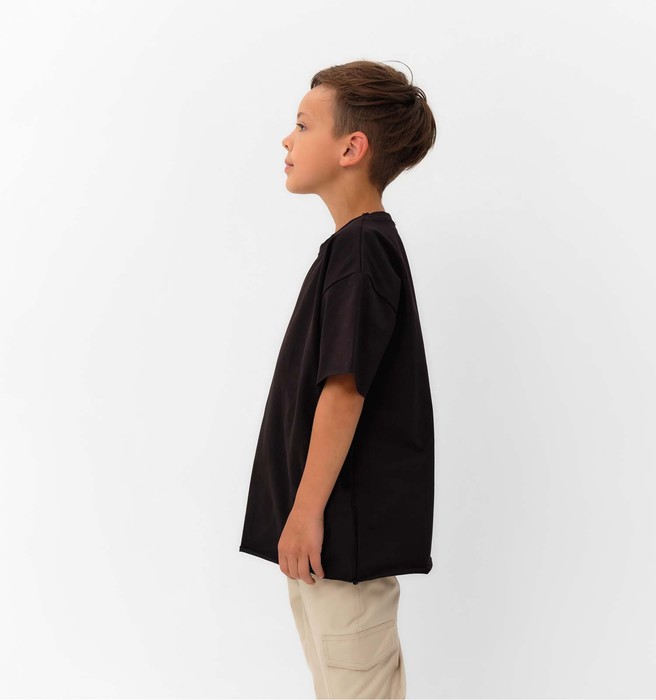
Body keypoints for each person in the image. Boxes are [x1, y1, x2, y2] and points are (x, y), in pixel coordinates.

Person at [239, 59, 437, 699]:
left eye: (302, 125)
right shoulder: (350, 249)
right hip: (327, 546)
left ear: (352, 148)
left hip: (340, 541)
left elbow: (344, 390)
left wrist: (304, 513)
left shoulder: (362, 251)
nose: (287, 139)